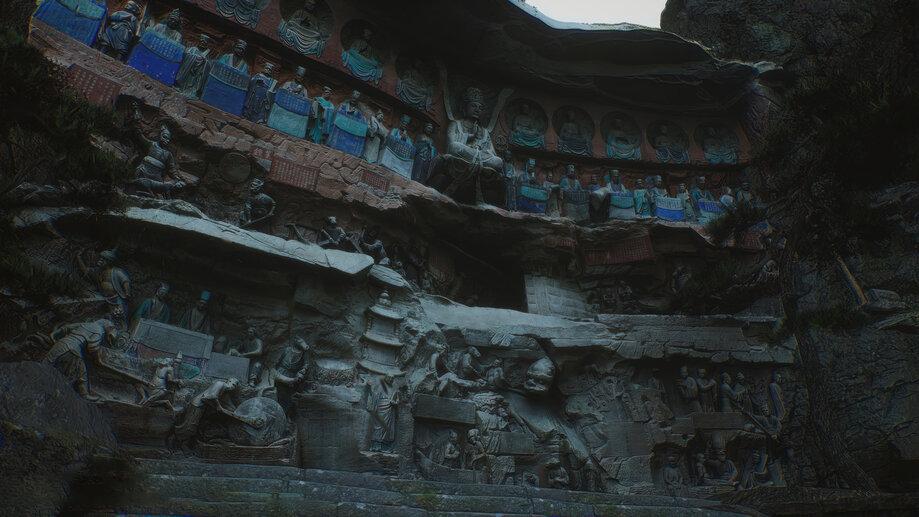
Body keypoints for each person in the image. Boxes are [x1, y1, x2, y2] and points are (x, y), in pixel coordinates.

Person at [43, 319, 118, 400]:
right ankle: (84, 394)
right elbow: (93, 347)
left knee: (47, 363)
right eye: (110, 328)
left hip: (61, 343)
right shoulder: (99, 331)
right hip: (73, 349)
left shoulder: (85, 324)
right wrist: (97, 359)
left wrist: (54, 334)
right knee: (82, 371)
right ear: (108, 327)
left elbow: (67, 327)